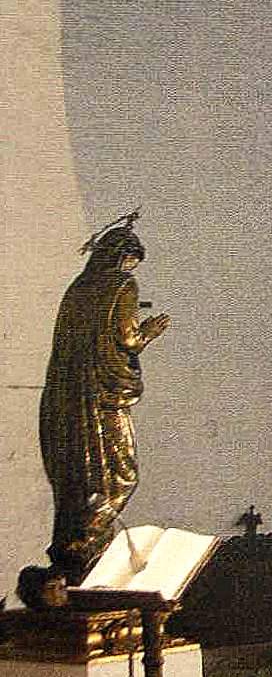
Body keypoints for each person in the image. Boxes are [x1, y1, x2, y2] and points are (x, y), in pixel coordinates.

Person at [39, 211, 170, 582]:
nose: (131, 269)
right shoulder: (122, 285)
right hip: (103, 396)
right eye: (130, 262)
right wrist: (150, 330)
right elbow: (128, 339)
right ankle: (89, 550)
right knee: (120, 475)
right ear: (121, 257)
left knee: (75, 479)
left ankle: (71, 551)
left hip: (66, 399)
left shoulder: (77, 289)